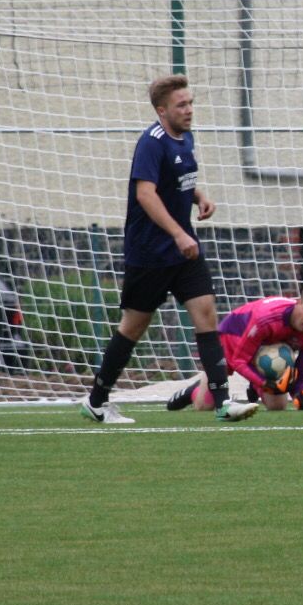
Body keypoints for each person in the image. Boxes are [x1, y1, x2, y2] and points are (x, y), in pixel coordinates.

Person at [83, 75, 257, 425]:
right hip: (150, 253)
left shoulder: (185, 137)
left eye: (190, 102)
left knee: (206, 313)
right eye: (181, 105)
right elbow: (146, 194)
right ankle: (97, 400)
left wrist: (199, 196)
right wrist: (179, 234)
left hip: (183, 252)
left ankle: (223, 402)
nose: (189, 110)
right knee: (133, 326)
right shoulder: (152, 142)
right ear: (162, 110)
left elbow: (177, 181)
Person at [167, 285, 303, 412]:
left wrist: (300, 395)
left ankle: (254, 387)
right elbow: (239, 360)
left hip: (264, 348)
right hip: (232, 338)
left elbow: (300, 375)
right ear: (298, 303)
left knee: (277, 406)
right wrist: (264, 383)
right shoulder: (266, 319)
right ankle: (194, 390)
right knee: (204, 405)